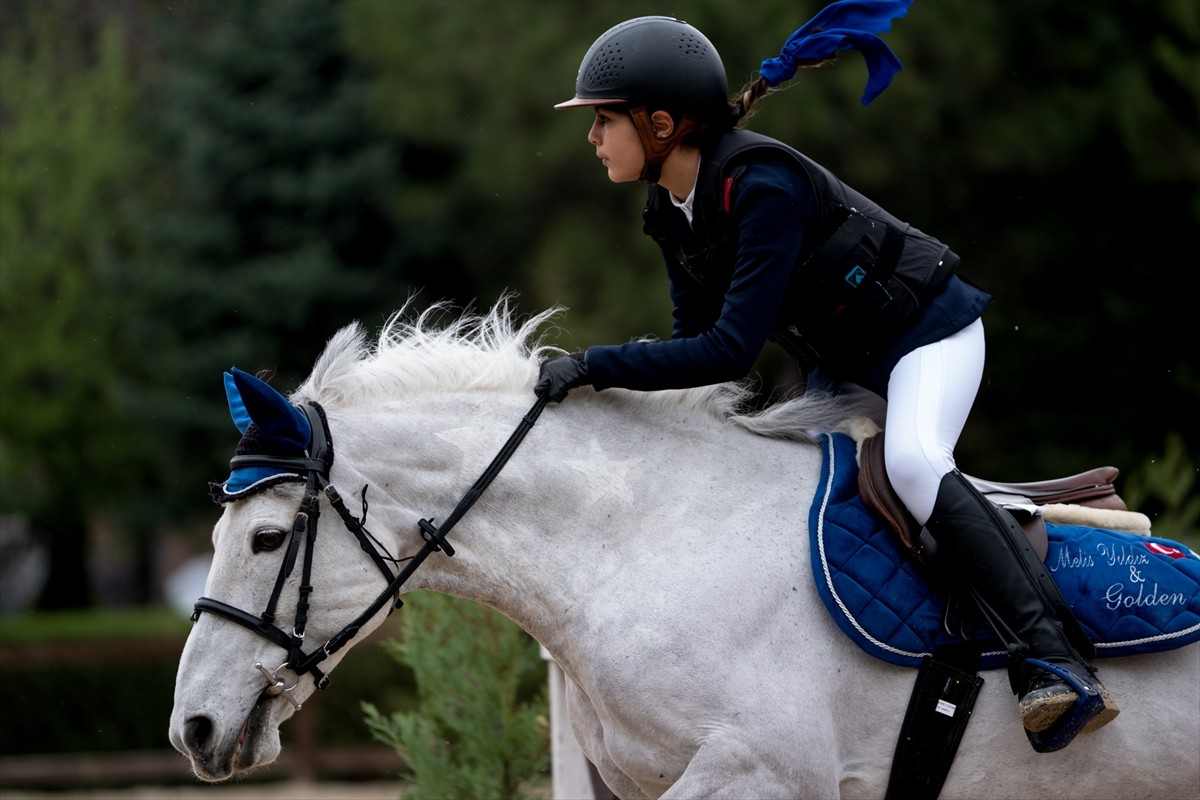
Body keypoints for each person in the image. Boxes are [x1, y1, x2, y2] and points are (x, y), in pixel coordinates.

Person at [535, 0, 1118, 752]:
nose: (589, 137)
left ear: (660, 124)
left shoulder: (761, 186)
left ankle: (1056, 663)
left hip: (927, 339)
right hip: (844, 365)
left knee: (912, 461)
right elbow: (691, 349)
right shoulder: (670, 206)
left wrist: (594, 367)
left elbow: (726, 352)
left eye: (603, 119)